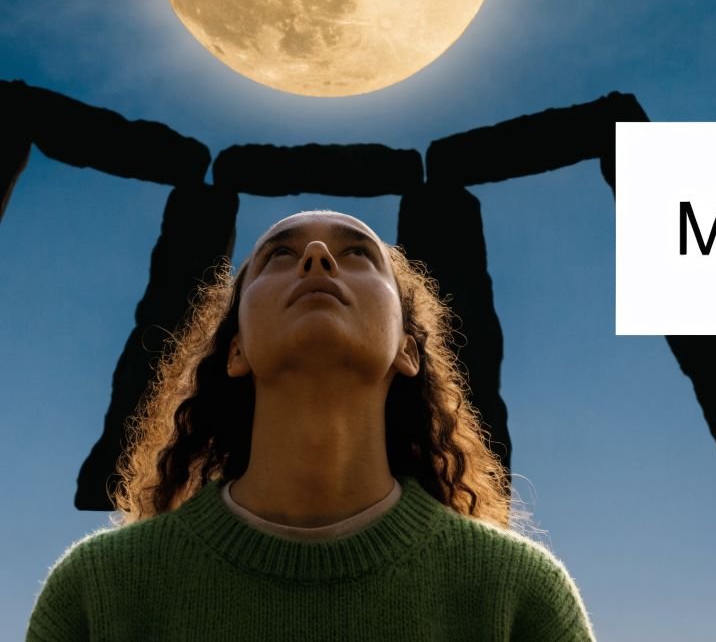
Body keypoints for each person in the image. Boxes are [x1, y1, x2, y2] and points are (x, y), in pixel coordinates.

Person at [27, 210, 595, 641]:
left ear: (407, 350)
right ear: (236, 352)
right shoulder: (99, 591)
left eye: (357, 255)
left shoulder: (516, 592)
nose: (318, 256)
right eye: (278, 256)